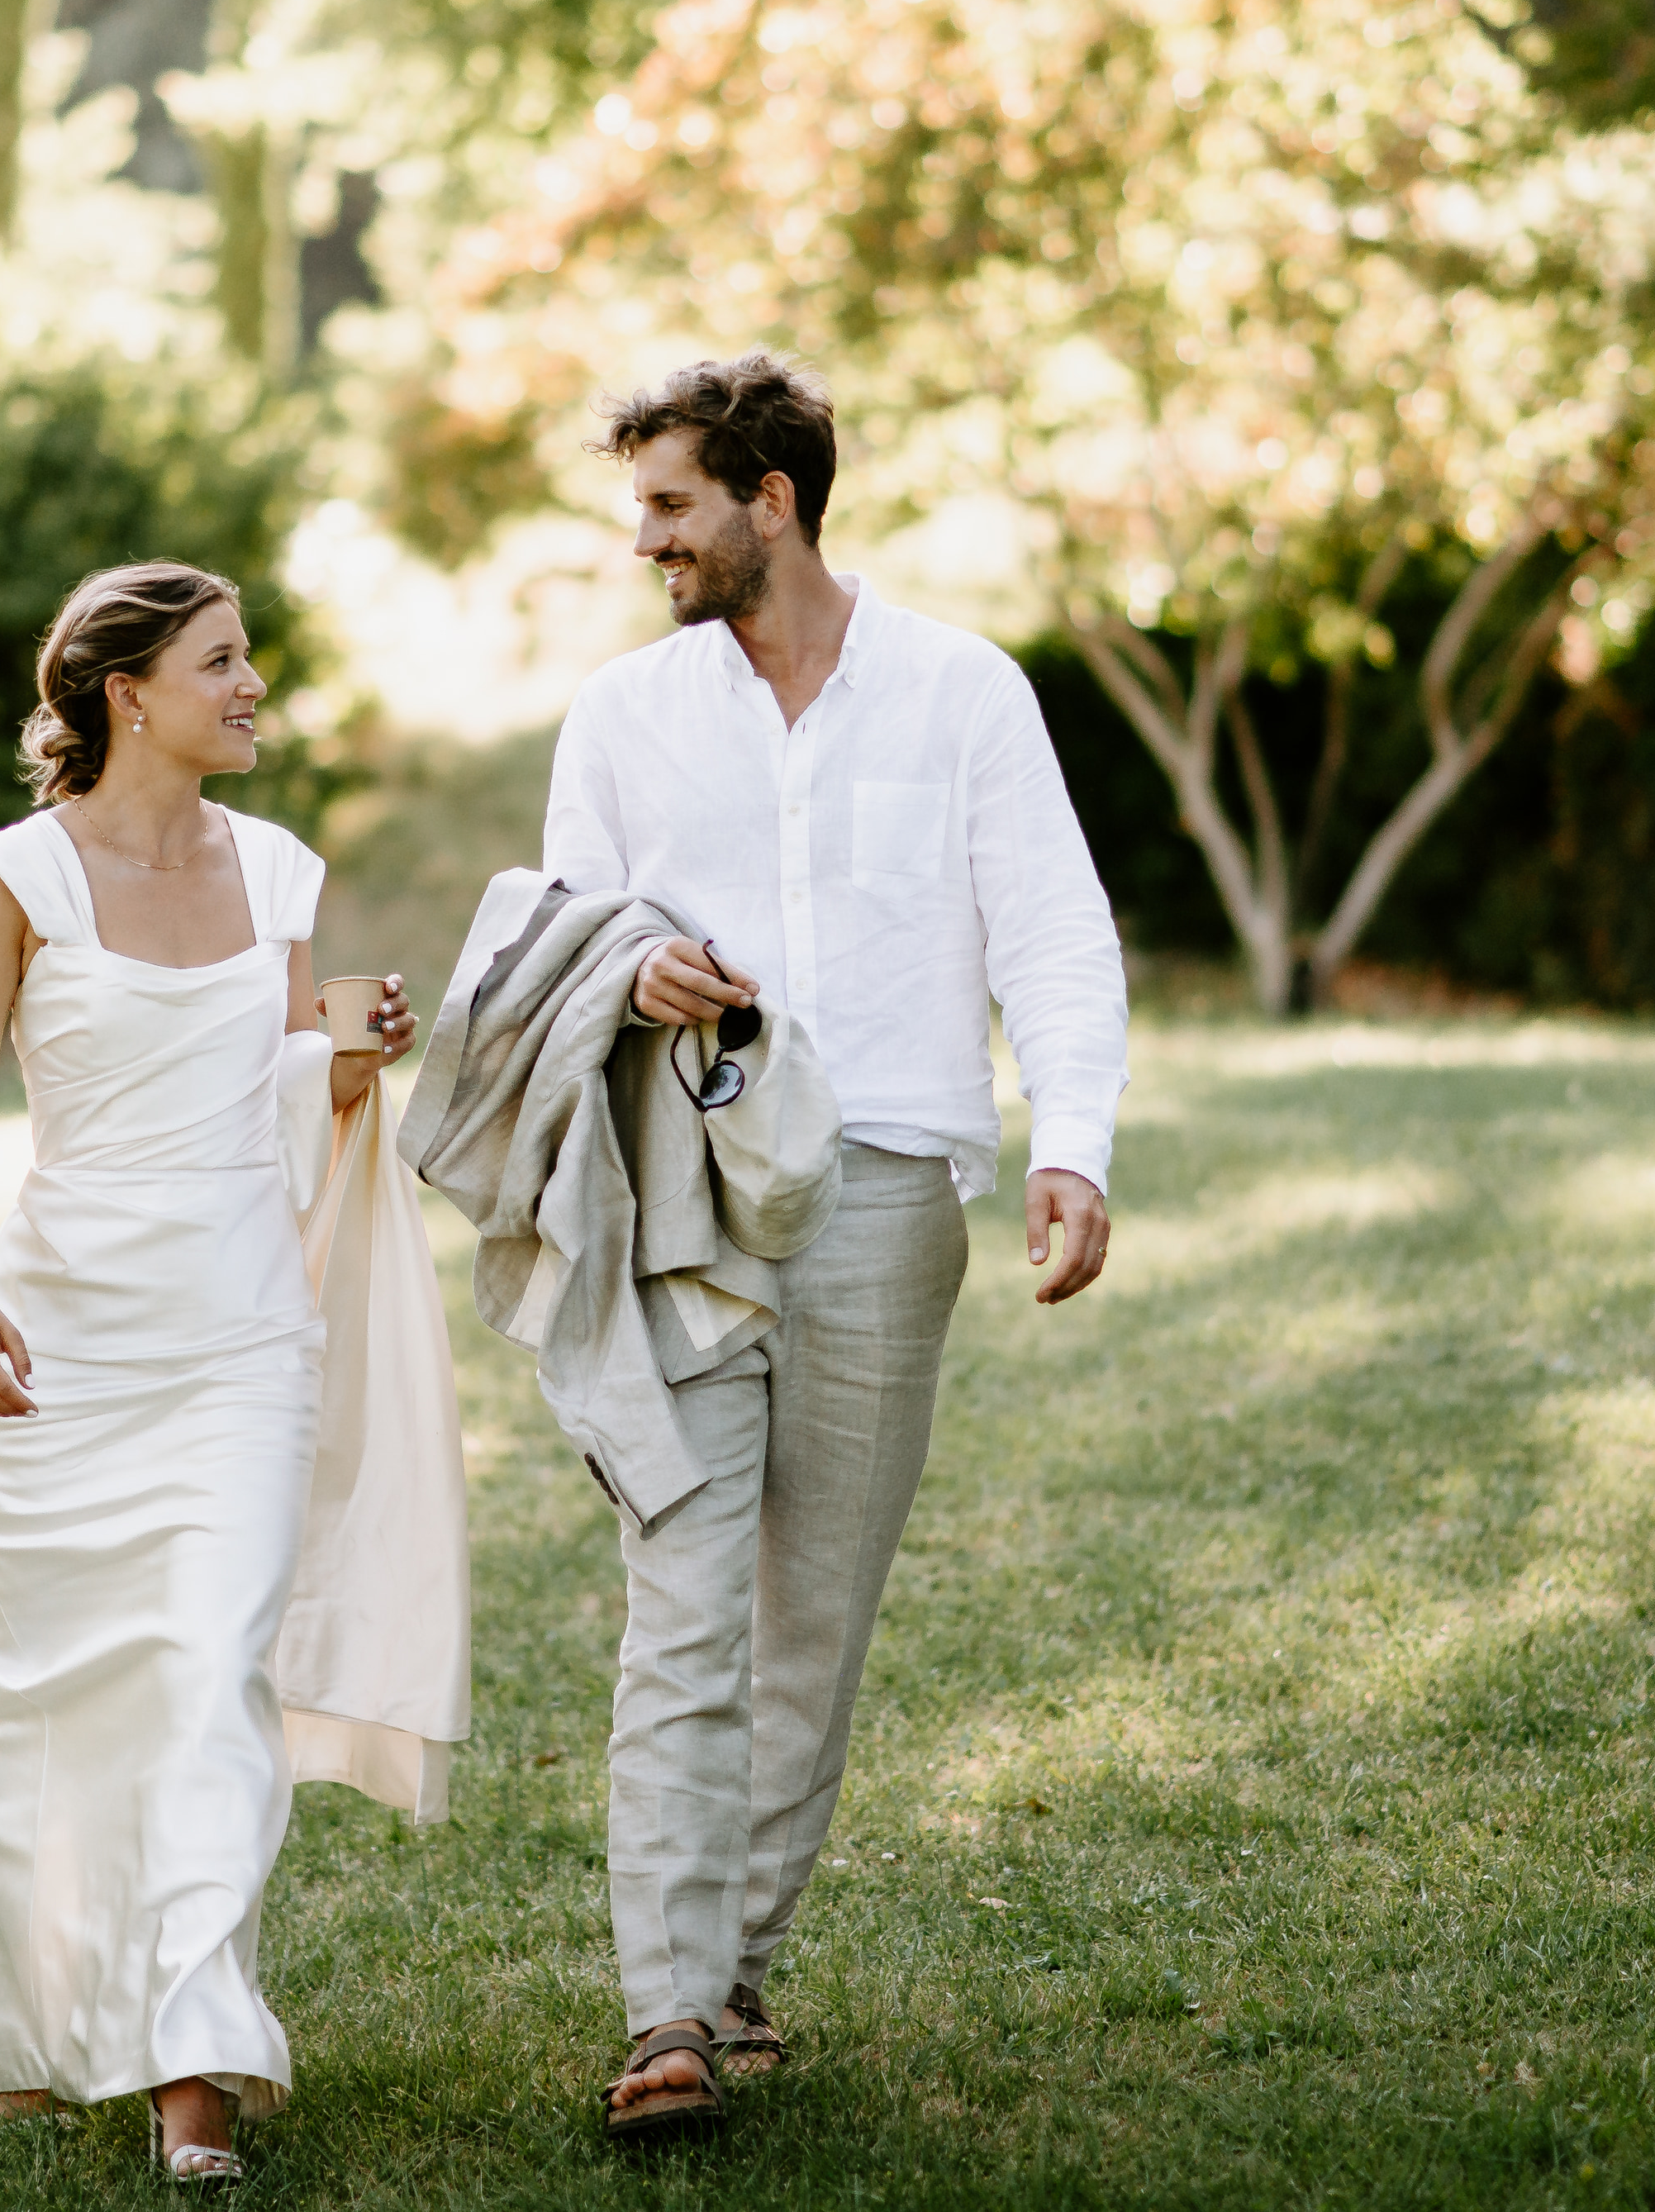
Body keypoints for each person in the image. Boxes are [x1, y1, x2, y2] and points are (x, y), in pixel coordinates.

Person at [541, 350, 1129, 2134]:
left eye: (672, 504)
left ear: (770, 501)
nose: (646, 538)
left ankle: (733, 1969)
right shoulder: (620, 716)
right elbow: (562, 934)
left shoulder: (962, 690)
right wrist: (631, 968)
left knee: (812, 1619)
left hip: (884, 1194)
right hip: (688, 1195)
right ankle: (666, 2010)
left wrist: (1072, 1143)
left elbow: (1052, 925)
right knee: (684, 1601)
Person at [0, 561, 421, 2185]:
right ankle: (37, 2020)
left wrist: (353, 1057)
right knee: (56, 1690)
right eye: (223, 661)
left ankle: (194, 2060)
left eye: (249, 658)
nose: (254, 685)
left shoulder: (275, 869)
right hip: (63, 1343)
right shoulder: (16, 877)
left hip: (243, 1337)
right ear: (128, 693)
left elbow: (281, 1095)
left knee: (210, 1674)